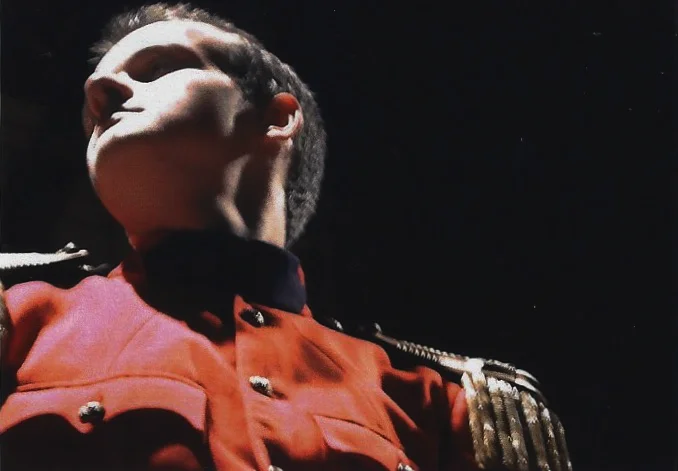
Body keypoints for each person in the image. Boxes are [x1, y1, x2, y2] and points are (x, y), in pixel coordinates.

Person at [0, 3, 572, 470]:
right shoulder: (17, 315)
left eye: (156, 68)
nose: (99, 88)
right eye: (93, 105)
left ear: (277, 118)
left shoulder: (445, 403)